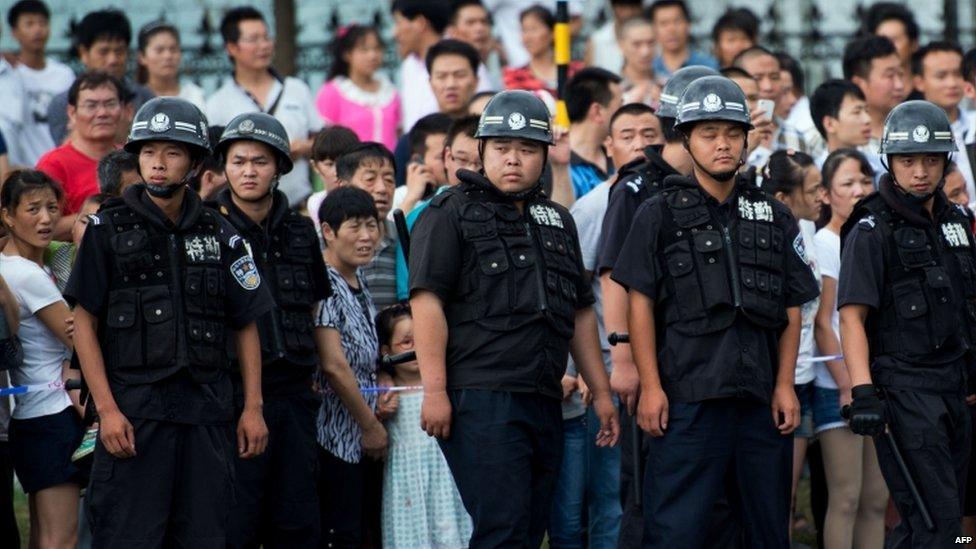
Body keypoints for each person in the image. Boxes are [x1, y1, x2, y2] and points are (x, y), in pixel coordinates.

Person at [611, 75, 819, 547]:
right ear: (686, 139)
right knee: (678, 531)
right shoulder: (657, 212)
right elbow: (638, 302)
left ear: (747, 139)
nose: (722, 145)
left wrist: (785, 385)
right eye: (708, 134)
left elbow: (792, 306)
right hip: (687, 401)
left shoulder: (775, 215)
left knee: (765, 531)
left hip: (760, 402)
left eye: (732, 133)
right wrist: (651, 388)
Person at [409, 89, 620, 547]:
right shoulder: (450, 212)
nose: (513, 159)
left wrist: (601, 393)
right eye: (502, 148)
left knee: (529, 530)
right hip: (481, 397)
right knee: (501, 530)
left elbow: (580, 310)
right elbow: (427, 303)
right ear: (482, 150)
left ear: (544, 156)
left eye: (527, 149)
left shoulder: (558, 219)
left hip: (545, 397)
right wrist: (436, 391)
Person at [65, 97, 273, 547]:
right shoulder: (106, 229)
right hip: (134, 414)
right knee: (128, 536)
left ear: (195, 163)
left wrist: (252, 408)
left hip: (208, 412)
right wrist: (108, 410)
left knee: (203, 535)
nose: (158, 164)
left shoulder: (223, 234)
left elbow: (246, 323)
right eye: (149, 152)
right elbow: (83, 322)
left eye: (172, 152)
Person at [839, 100, 975, 547]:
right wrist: (862, 392)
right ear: (889, 161)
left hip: (957, 388)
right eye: (908, 160)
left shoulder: (957, 222)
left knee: (948, 521)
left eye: (931, 160)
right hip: (905, 390)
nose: (920, 171)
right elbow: (852, 315)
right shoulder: (871, 227)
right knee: (935, 525)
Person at [208, 112, 330, 548]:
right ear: (224, 167)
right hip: (230, 398)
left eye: (260, 161)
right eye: (238, 161)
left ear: (279, 167)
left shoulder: (301, 231)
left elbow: (315, 305)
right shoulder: (206, 229)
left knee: (298, 522)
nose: (248, 171)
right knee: (235, 523)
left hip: (296, 397)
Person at [550, 102, 659, 549]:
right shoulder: (596, 205)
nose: (639, 144)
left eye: (649, 134)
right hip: (608, 370)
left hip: (658, 366)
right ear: (608, 145)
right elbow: (577, 292)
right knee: (604, 498)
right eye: (627, 135)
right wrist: (590, 370)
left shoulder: (670, 196)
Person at [811, 148, 888, 548]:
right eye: (847, 184)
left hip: (878, 382)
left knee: (876, 500)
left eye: (864, 181)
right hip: (838, 386)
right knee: (846, 497)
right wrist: (847, 384)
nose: (859, 191)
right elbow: (825, 321)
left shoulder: (875, 234)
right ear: (825, 194)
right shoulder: (825, 242)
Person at [1, 169, 82, 549]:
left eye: (53, 207)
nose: (47, 218)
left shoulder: (32, 266)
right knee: (59, 539)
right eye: (33, 208)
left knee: (42, 536)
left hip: (31, 417)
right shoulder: (23, 273)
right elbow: (78, 336)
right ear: (7, 215)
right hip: (51, 416)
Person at [313, 186, 389, 548]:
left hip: (360, 436)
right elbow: (334, 365)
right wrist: (370, 425)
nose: (366, 237)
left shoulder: (358, 282)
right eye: (355, 227)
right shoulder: (324, 283)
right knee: (343, 533)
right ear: (328, 231)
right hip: (335, 436)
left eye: (371, 226)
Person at [758, 150, 823, 538]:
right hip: (781, 381)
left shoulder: (810, 230)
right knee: (776, 494)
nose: (822, 196)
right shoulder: (770, 238)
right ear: (783, 200)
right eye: (813, 189)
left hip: (809, 375)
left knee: (792, 492)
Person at [376, 303, 472, 548]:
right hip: (407, 486)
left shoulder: (446, 387)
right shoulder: (385, 396)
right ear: (387, 350)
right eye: (407, 342)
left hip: (447, 479)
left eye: (422, 337)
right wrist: (381, 379)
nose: (417, 348)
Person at [207, 7, 322, 207]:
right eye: (253, 39)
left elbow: (322, 142)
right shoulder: (217, 103)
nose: (264, 45)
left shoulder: (296, 89)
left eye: (266, 37)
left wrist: (300, 148)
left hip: (297, 204)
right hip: (243, 211)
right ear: (232, 48)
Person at [394, 115, 482, 302]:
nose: (471, 171)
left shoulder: (507, 209)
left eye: (480, 163)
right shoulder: (418, 215)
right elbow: (408, 295)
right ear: (448, 157)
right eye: (462, 160)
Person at [36, 72, 126, 240]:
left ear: (123, 109)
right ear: (72, 113)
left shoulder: (132, 158)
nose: (102, 113)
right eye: (91, 105)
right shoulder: (54, 164)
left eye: (110, 103)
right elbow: (37, 228)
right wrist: (103, 213)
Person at [46, 9, 154, 146]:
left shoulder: (146, 99)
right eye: (104, 52)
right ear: (83, 53)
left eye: (119, 51)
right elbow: (65, 152)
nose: (112, 60)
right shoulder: (63, 103)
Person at [393, 39, 481, 189]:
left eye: (459, 75)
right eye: (441, 76)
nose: (450, 84)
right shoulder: (411, 142)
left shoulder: (490, 137)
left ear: (476, 81)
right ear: (430, 82)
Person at [7, 0, 74, 166]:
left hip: (59, 165)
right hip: (21, 168)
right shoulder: (8, 75)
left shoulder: (64, 75)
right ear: (14, 32)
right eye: (29, 24)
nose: (37, 29)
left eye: (42, 23)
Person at [335, 142, 399, 311]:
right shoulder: (324, 241)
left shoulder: (405, 237)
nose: (382, 189)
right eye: (370, 179)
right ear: (343, 186)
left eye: (389, 180)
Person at [315, 25, 400, 152]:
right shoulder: (333, 92)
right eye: (364, 50)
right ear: (347, 54)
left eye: (377, 48)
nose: (372, 55)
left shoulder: (391, 93)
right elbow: (322, 142)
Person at [912, 41, 976, 205]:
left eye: (957, 74)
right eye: (941, 76)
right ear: (919, 82)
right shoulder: (911, 137)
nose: (952, 83)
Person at [392, 0, 455, 132]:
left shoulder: (459, 58)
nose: (395, 33)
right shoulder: (408, 66)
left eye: (398, 23)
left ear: (420, 23)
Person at [843, 36, 908, 154]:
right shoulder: (839, 139)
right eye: (889, 76)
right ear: (858, 83)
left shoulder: (915, 131)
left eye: (900, 74)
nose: (899, 85)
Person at [503, 5, 584, 98]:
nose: (527, 37)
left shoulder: (576, 72)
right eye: (524, 30)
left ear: (552, 33)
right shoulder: (515, 76)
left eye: (533, 29)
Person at [567, 67, 623, 199]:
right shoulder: (557, 165)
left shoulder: (618, 156)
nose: (624, 114)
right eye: (620, 106)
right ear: (597, 111)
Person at [307, 125, 361, 245]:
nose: (337, 171)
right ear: (315, 166)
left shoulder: (368, 200)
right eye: (329, 164)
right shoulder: (315, 203)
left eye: (345, 163)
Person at [135, 22, 205, 110]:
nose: (168, 56)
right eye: (159, 50)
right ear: (142, 57)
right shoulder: (134, 99)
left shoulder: (194, 95)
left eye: (173, 49)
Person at [47, 193, 108, 293]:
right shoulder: (57, 252)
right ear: (74, 225)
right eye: (84, 222)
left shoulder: (116, 266)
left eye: (99, 226)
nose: (88, 231)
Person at [394, 113, 452, 216]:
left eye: (453, 156)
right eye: (441, 157)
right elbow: (393, 231)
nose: (450, 163)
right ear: (418, 160)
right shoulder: (399, 197)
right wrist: (411, 199)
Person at [810, 79, 876, 169]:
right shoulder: (816, 173)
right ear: (830, 124)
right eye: (857, 112)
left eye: (866, 111)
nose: (867, 119)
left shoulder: (880, 165)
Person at [648, 0, 718, 83]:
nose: (671, 29)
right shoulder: (648, 67)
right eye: (664, 23)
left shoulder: (708, 66)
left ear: (688, 24)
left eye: (677, 21)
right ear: (653, 29)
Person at [862, 2, 920, 98]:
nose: (888, 46)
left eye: (894, 39)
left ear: (913, 44)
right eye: (882, 41)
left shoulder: (928, 95)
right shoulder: (866, 99)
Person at [448, 0, 504, 91]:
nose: (479, 28)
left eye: (484, 22)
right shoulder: (448, 76)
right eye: (471, 22)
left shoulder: (503, 71)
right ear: (453, 31)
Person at [584, 0, 642, 74]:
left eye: (634, 7)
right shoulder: (597, 40)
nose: (629, 12)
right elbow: (589, 79)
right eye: (623, 7)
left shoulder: (654, 37)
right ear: (613, 7)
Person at [615, 16, 661, 107]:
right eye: (637, 44)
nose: (645, 52)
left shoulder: (668, 86)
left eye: (651, 43)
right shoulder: (611, 89)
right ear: (621, 46)